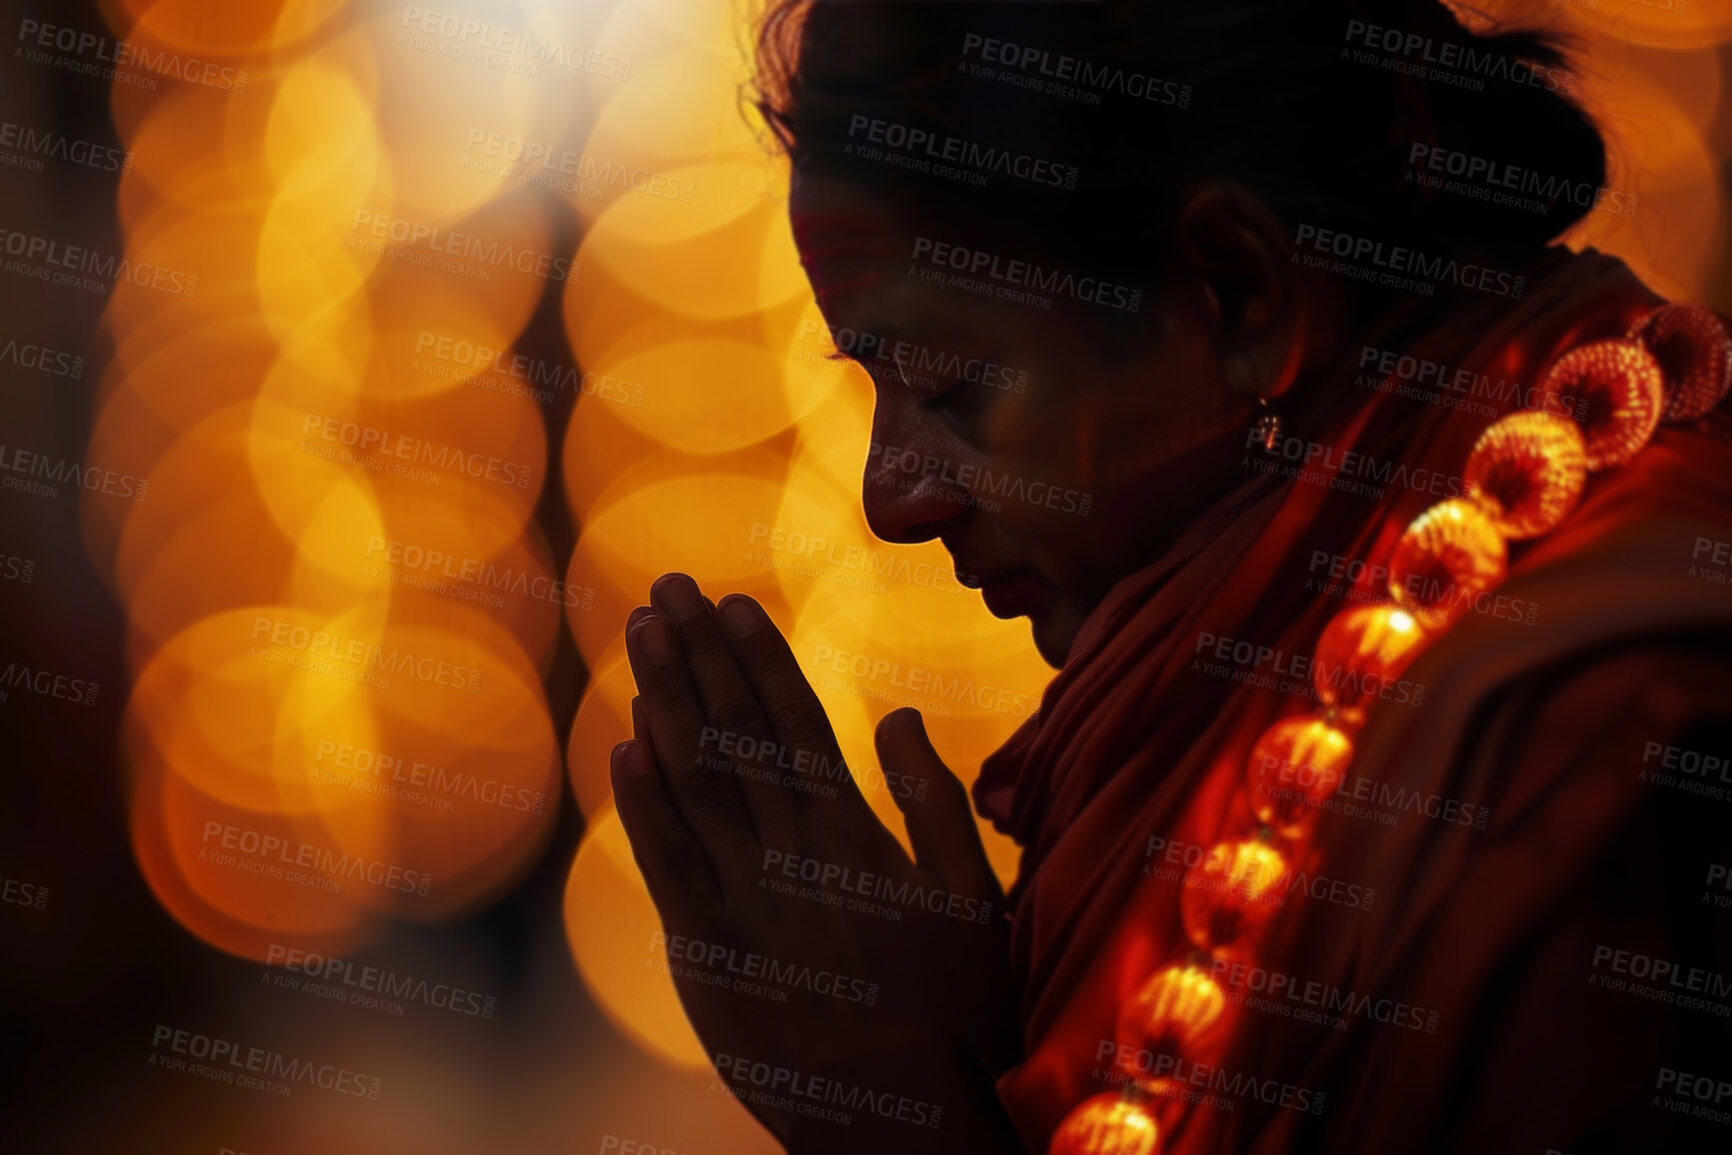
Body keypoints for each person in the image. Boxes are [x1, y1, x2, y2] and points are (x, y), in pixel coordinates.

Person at [611, 2, 1732, 1151]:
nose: (892, 500)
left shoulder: (1577, 742)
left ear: (1236, 292)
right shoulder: (1225, 704)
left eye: (946, 385)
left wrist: (899, 1112)